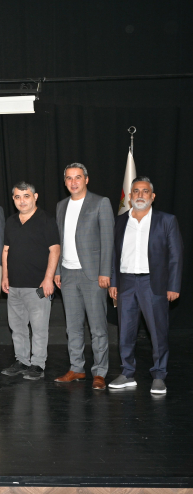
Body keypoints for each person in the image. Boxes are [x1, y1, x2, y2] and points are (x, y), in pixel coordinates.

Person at [108, 177, 183, 395]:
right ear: (129, 196)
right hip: (126, 283)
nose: (140, 195)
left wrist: (173, 285)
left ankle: (159, 375)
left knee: (158, 332)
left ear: (152, 196)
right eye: (136, 191)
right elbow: (113, 254)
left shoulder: (166, 220)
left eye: (145, 191)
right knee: (125, 330)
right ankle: (127, 373)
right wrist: (113, 282)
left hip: (154, 283)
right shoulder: (120, 221)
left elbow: (176, 256)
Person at [53, 164, 114, 390]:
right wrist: (58, 271)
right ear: (65, 182)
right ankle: (76, 368)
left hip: (93, 275)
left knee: (97, 328)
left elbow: (108, 240)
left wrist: (105, 272)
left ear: (86, 179)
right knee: (73, 327)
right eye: (69, 178)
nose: (73, 182)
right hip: (68, 274)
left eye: (78, 177)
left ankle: (100, 372)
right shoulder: (61, 206)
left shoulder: (101, 203)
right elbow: (59, 241)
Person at [1, 182, 60, 381]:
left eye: (26, 196)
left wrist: (48, 279)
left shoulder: (46, 220)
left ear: (35, 197)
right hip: (14, 286)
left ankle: (38, 364)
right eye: (17, 197)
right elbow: (6, 250)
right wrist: (5, 276)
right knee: (17, 327)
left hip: (38, 286)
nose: (22, 201)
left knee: (39, 328)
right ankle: (22, 360)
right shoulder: (10, 221)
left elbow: (55, 250)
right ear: (13, 199)